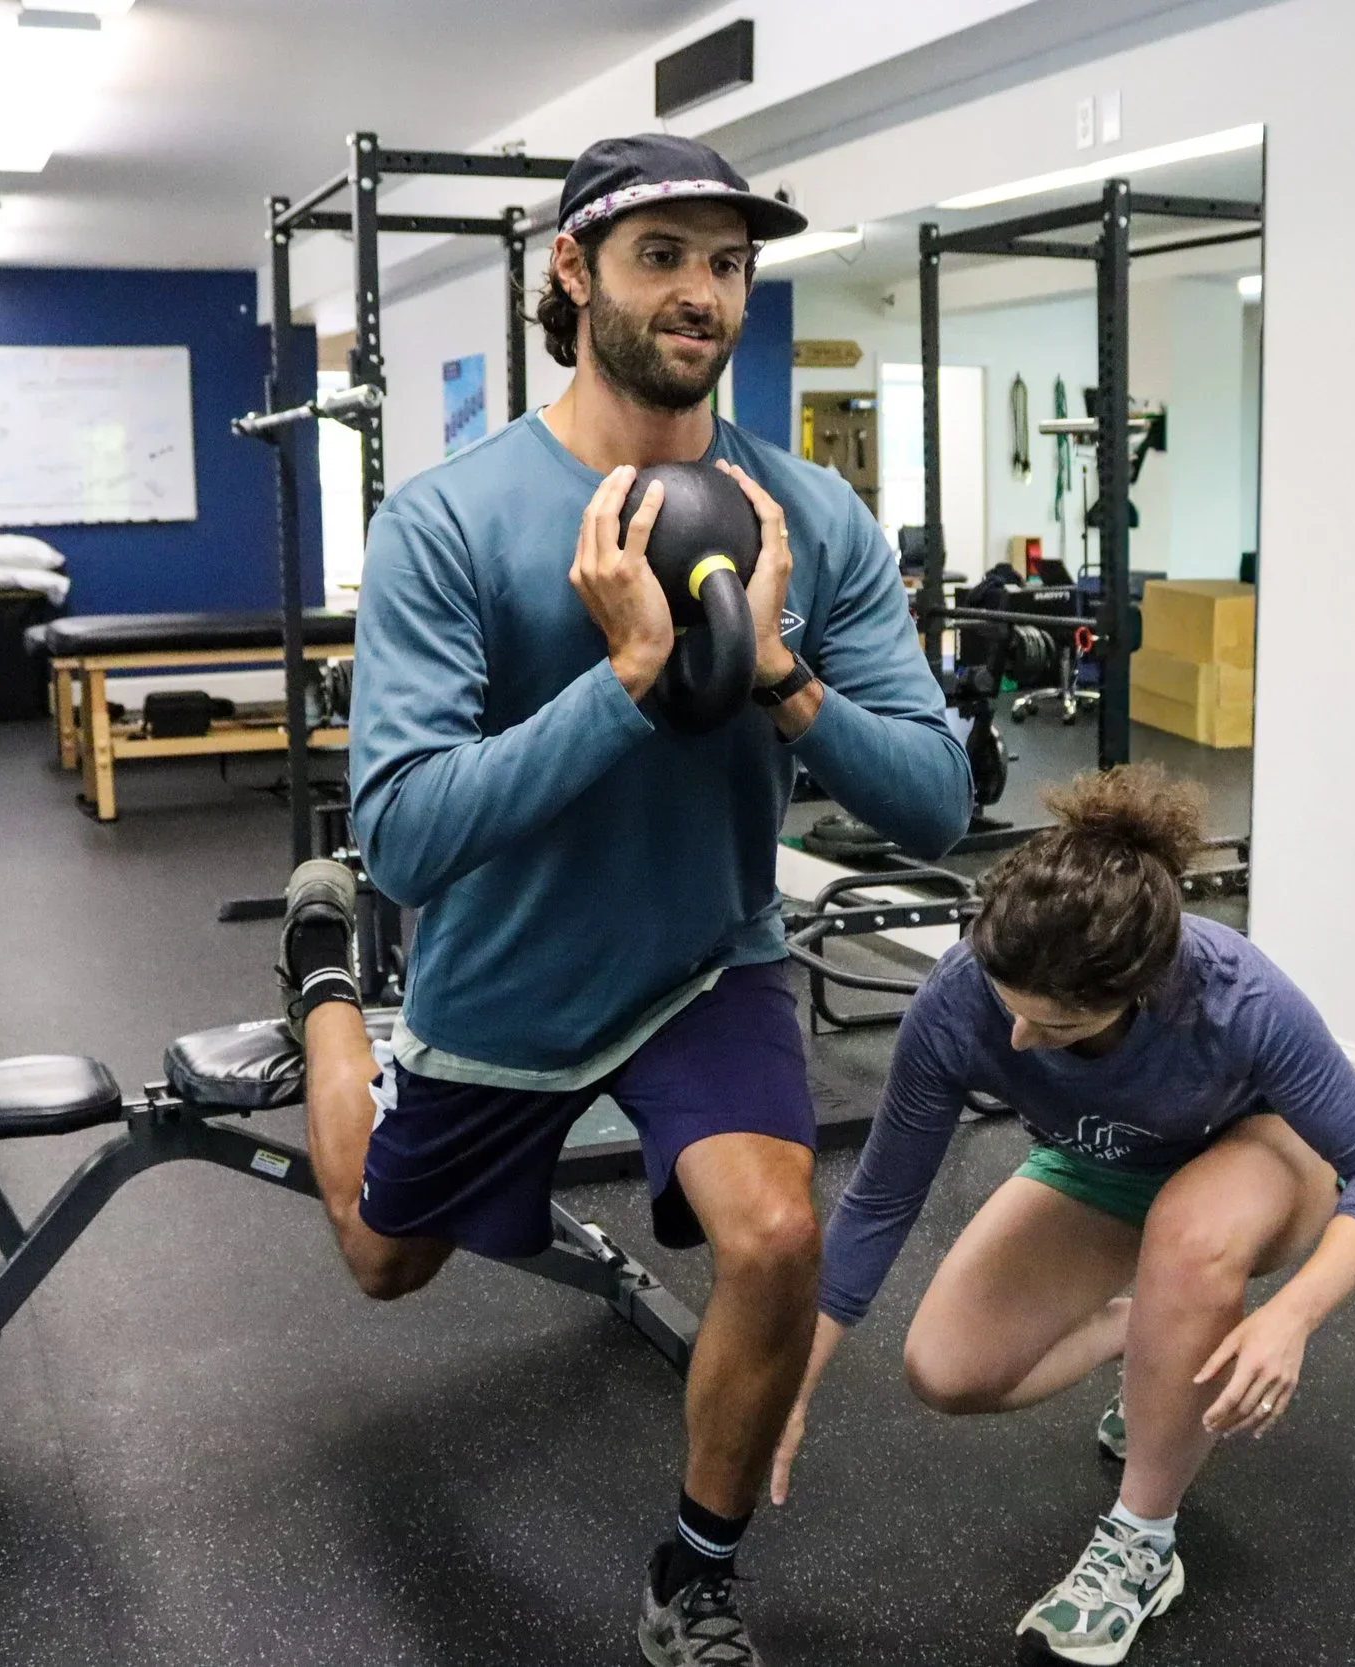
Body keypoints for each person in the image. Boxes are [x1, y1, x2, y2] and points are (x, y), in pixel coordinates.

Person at [276, 132, 973, 1666]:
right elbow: (400, 833)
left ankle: (695, 1571)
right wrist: (634, 685)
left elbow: (937, 800)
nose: (702, 294)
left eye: (727, 263)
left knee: (776, 1231)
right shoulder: (449, 520)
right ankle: (322, 977)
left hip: (701, 954)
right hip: (506, 972)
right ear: (574, 273)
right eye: (663, 255)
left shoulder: (814, 521)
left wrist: (779, 678)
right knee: (382, 1260)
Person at [774, 766, 1355, 1666]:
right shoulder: (963, 995)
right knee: (946, 1368)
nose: (1019, 1043)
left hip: (1258, 1162)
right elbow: (883, 1195)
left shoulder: (1238, 997)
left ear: (1139, 990)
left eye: (1058, 1029)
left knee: (1192, 1237)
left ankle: (1143, 1543)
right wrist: (789, 1381)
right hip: (1107, 1159)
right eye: (1011, 1009)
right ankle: (1152, 1337)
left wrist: (1291, 1315)